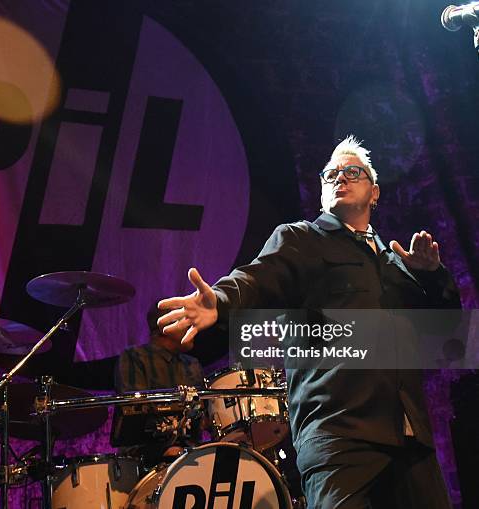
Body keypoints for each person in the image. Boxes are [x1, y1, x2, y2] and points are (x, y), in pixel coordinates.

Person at [157, 136, 461, 509]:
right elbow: (254, 279)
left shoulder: (396, 263)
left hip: (411, 441)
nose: (340, 177)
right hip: (340, 437)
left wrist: (433, 275)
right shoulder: (301, 239)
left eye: (353, 171)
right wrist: (218, 301)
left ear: (375, 192)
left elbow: (447, 332)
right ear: (321, 191)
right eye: (331, 173)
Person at [113, 302, 205, 465]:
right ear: (166, 326)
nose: (193, 327)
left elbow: (203, 418)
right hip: (144, 456)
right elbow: (135, 418)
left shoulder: (193, 364)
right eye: (186, 321)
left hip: (189, 451)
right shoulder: (135, 357)